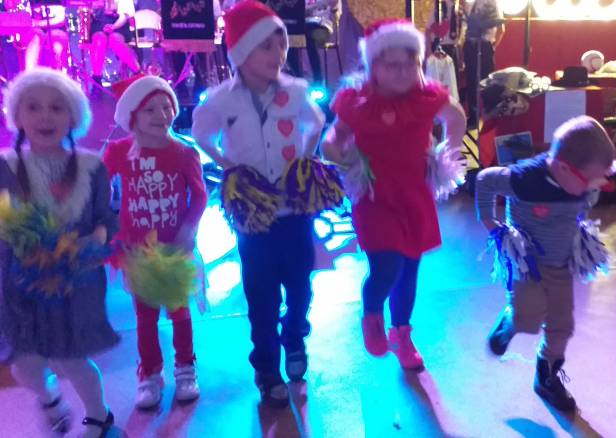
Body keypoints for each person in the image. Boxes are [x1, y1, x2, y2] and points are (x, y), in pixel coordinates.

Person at [192, 0, 325, 409]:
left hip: (295, 212)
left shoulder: (295, 91)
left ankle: (295, 336)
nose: (278, 54)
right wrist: (229, 168)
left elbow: (317, 122)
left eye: (281, 45)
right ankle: (266, 367)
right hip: (253, 217)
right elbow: (201, 135)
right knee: (261, 295)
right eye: (266, 46)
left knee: (301, 285)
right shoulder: (222, 101)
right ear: (241, 52)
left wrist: (305, 161)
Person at [321, 19, 466, 371]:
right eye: (392, 65)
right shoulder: (357, 101)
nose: (402, 72)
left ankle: (402, 332)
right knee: (386, 267)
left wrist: (448, 152)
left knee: (409, 269)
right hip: (375, 198)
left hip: (414, 197)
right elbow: (333, 138)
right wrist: (341, 156)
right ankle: (372, 312)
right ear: (373, 66)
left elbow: (456, 116)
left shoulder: (426, 97)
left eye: (410, 64)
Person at [1, 67, 119, 437]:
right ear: (17, 116)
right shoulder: (6, 166)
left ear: (73, 116)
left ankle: (99, 415)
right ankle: (49, 399)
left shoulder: (91, 166)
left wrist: (97, 236)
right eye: (33, 107)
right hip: (21, 284)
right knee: (24, 365)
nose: (45, 116)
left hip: (75, 280)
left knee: (71, 359)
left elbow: (106, 216)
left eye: (56, 107)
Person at [477, 116, 615, 411]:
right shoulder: (524, 179)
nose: (594, 187)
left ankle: (547, 375)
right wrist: (489, 221)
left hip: (560, 264)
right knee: (528, 318)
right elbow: (485, 180)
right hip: (527, 264)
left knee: (562, 325)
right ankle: (511, 321)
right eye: (590, 181)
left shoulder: (580, 181)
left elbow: (586, 196)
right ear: (563, 168)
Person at [103, 75, 207, 409]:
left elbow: (199, 196)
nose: (162, 115)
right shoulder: (119, 152)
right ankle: (149, 372)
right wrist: (106, 226)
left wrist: (188, 231)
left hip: (175, 251)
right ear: (132, 116)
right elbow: (98, 187)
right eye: (150, 109)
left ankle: (186, 367)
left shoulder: (183, 152)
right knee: (145, 317)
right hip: (138, 253)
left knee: (180, 312)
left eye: (167, 107)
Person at [463, 0, 503, 128]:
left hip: (485, 45)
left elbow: (502, 28)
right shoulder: (469, 3)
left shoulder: (493, 3)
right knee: (471, 82)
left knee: (488, 81)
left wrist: (493, 47)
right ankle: (473, 117)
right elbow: (464, 25)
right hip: (470, 45)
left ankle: (488, 116)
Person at [90, 0, 141, 84]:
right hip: (99, 25)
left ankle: (138, 73)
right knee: (99, 39)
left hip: (119, 25)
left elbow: (124, 17)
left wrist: (113, 27)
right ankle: (97, 79)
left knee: (115, 40)